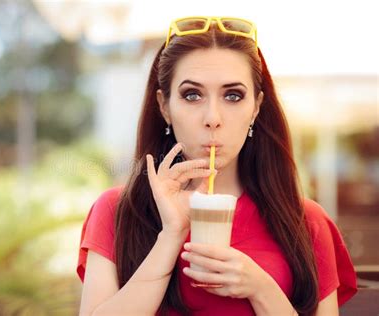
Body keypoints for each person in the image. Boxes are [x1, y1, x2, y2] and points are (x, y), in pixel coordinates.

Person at [76, 16, 357, 315]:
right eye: (192, 95)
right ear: (164, 107)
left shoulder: (306, 221)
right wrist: (171, 235)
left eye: (233, 96)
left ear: (256, 108)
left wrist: (260, 288)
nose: (213, 117)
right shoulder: (117, 210)